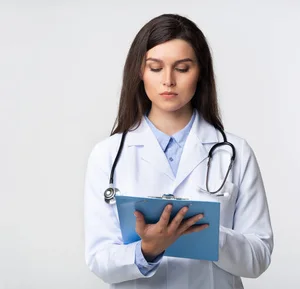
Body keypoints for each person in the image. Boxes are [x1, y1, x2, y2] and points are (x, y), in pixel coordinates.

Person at [83, 14, 274, 289]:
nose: (168, 81)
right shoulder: (107, 155)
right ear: (140, 72)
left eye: (182, 68)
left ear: (200, 72)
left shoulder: (235, 152)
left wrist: (207, 235)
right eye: (156, 68)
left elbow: (259, 256)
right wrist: (147, 250)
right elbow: (99, 258)